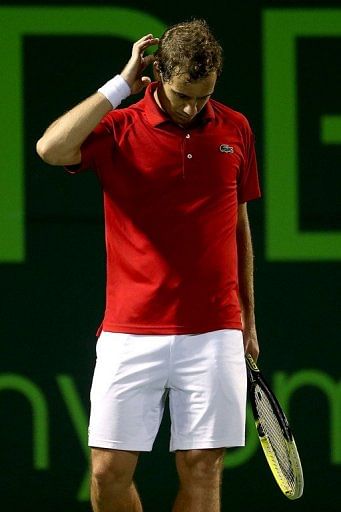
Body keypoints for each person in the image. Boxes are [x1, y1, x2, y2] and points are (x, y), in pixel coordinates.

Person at [36, 19, 260, 512]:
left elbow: (238, 228)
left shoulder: (236, 129)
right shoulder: (119, 128)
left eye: (203, 97)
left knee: (203, 470)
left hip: (215, 330)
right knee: (107, 472)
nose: (191, 107)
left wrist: (248, 318)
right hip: (130, 330)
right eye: (182, 94)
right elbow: (50, 149)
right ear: (157, 75)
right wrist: (120, 85)